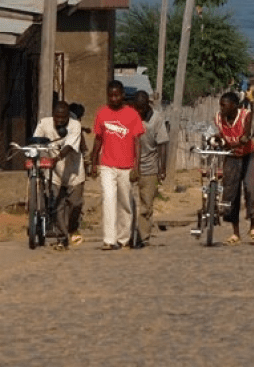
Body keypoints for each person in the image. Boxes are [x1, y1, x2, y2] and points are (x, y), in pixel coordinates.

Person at [90, 80, 145, 251]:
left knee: (125, 203)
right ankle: (109, 239)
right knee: (108, 198)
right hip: (107, 164)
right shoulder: (102, 113)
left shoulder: (132, 114)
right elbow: (98, 139)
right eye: (110, 95)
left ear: (122, 95)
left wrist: (137, 166)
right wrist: (93, 163)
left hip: (126, 166)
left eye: (116, 95)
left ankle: (123, 238)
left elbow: (137, 142)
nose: (113, 99)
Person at [33, 100, 84, 251]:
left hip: (74, 172)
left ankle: (73, 227)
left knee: (75, 204)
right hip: (54, 173)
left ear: (68, 116)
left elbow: (69, 146)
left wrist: (56, 158)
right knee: (58, 206)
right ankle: (62, 238)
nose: (60, 121)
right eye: (57, 117)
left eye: (63, 118)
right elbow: (36, 140)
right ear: (53, 116)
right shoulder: (44, 124)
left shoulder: (75, 126)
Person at [214, 91, 254, 245]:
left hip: (248, 156)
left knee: (249, 188)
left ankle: (252, 224)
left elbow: (246, 134)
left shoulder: (245, 115)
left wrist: (237, 142)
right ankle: (235, 232)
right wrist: (215, 139)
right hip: (231, 157)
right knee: (231, 192)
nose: (221, 108)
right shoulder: (218, 118)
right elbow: (220, 134)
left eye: (224, 105)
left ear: (233, 106)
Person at [132, 91, 169, 248]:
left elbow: (162, 145)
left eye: (142, 108)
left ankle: (143, 236)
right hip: (130, 166)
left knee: (146, 205)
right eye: (137, 108)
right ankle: (128, 234)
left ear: (148, 105)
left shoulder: (157, 119)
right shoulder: (131, 117)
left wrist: (162, 168)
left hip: (150, 167)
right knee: (129, 203)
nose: (139, 112)